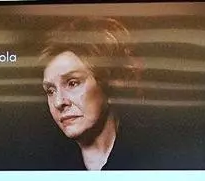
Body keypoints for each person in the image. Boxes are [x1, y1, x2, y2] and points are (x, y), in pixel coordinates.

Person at [39, 17, 143, 171]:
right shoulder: (41, 166)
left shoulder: (156, 157)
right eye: (50, 91)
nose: (58, 102)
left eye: (72, 83)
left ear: (110, 82)